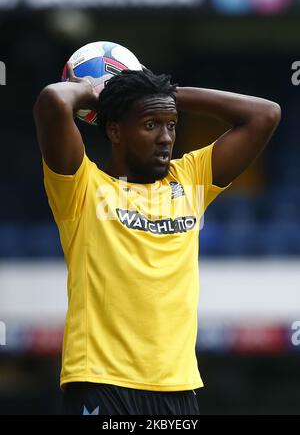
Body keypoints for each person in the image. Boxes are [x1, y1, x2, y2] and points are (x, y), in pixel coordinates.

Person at [33, 63, 281, 415]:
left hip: (178, 387)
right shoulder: (83, 188)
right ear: (116, 131)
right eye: (151, 125)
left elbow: (265, 114)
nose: (166, 137)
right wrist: (93, 91)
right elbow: (52, 101)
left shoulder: (191, 179)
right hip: (102, 383)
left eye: (171, 124)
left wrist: (163, 95)